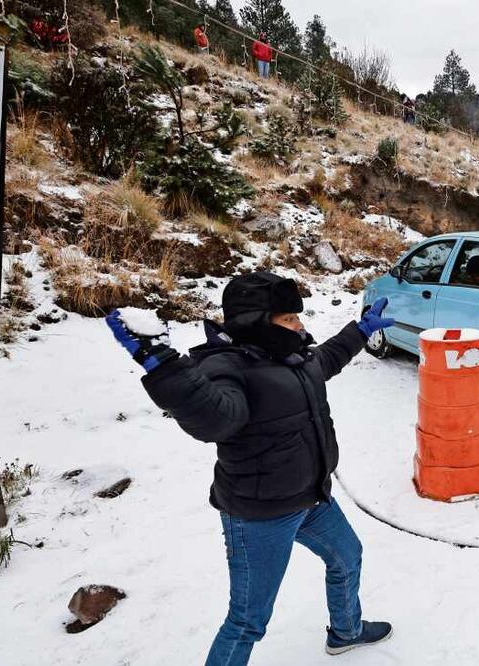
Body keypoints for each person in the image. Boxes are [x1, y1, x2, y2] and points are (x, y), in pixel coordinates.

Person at [104, 272, 397, 663]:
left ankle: (347, 631)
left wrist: (359, 331)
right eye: (289, 318)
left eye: (298, 316)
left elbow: (324, 361)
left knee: (347, 557)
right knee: (248, 620)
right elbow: (216, 419)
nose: (300, 326)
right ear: (257, 320)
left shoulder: (293, 354)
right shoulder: (224, 366)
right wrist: (166, 368)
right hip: (259, 515)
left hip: (311, 496)